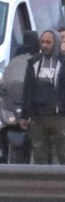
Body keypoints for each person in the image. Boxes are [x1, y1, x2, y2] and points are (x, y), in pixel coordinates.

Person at [22, 28, 65, 166]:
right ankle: (41, 181)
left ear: (56, 43)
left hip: (59, 117)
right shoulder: (33, 62)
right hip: (38, 118)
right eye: (43, 42)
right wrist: (24, 115)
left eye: (48, 42)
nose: (45, 45)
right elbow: (27, 90)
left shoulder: (63, 62)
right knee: (39, 156)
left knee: (63, 155)